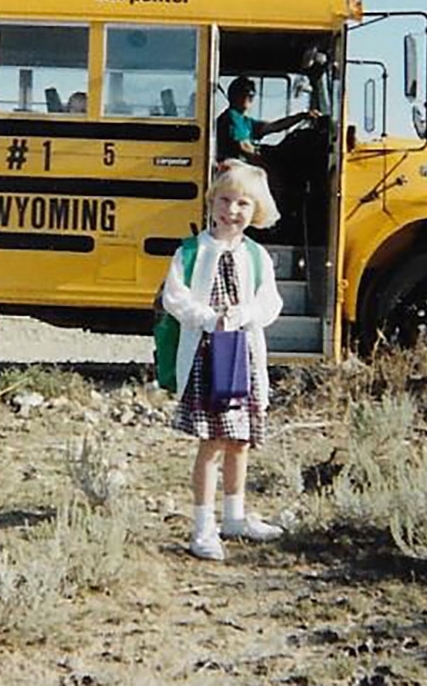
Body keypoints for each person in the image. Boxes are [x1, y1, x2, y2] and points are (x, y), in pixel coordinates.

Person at [160, 159, 286, 560]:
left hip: (243, 355)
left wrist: (244, 315)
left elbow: (270, 301)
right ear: (212, 202)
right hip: (205, 353)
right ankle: (202, 529)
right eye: (226, 200)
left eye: (243, 204)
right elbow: (175, 298)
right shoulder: (192, 252)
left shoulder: (256, 256)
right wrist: (210, 319)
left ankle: (234, 516)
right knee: (212, 443)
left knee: (240, 441)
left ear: (256, 212)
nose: (232, 211)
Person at [215, 76, 321, 163]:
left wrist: (301, 116)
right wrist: (266, 164)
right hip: (235, 169)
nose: (251, 97)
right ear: (234, 94)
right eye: (247, 92)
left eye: (253, 94)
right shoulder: (231, 117)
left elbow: (274, 126)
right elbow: (244, 147)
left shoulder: (245, 121)